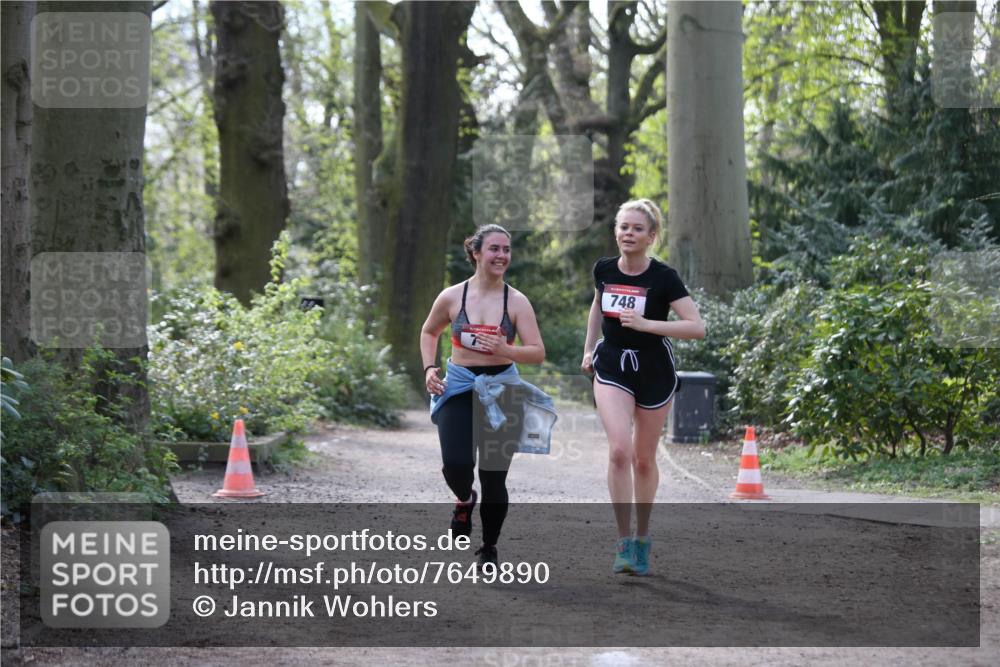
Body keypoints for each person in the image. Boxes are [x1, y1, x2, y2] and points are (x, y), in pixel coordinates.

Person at [581, 199, 705, 575]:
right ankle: (623, 541)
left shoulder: (664, 277)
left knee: (642, 459)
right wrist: (589, 348)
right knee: (619, 451)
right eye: (623, 227)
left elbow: (696, 327)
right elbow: (598, 306)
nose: (628, 233)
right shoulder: (603, 269)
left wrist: (649, 324)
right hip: (613, 363)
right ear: (615, 232)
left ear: (652, 236)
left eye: (637, 228)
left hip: (654, 368)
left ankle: (643, 538)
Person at [420, 224, 546, 570]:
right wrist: (430, 369)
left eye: (506, 249)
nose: (501, 255)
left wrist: (507, 349)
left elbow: (537, 352)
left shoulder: (517, 301)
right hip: (458, 386)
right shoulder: (451, 297)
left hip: (502, 390)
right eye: (494, 249)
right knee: (456, 465)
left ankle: (488, 546)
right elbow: (429, 331)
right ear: (476, 252)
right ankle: (464, 499)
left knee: (494, 476)